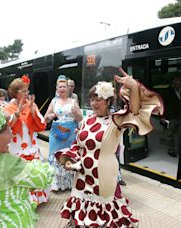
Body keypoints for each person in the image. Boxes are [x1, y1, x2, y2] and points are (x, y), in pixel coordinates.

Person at [55, 68, 163, 227]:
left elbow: (135, 112)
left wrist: (133, 87)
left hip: (104, 174)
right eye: (92, 99)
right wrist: (70, 160)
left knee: (104, 211)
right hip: (83, 174)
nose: (94, 103)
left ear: (108, 101)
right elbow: (77, 145)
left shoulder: (115, 121)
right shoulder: (87, 121)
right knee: (81, 211)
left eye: (98, 99)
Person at [3, 75, 48, 205]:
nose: (26, 93)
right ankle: (22, 200)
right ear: (15, 92)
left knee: (32, 171)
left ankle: (35, 200)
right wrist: (18, 111)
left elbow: (42, 124)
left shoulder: (31, 105)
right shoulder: (8, 107)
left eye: (27, 90)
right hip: (16, 147)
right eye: (23, 91)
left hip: (31, 145)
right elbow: (8, 125)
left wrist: (33, 108)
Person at [44, 75, 83, 192]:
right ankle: (55, 184)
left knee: (69, 156)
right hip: (56, 133)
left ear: (68, 89)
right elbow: (46, 118)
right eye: (60, 87)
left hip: (70, 132)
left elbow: (80, 118)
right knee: (55, 156)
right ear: (57, 89)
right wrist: (49, 117)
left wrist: (76, 113)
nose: (62, 88)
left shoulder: (73, 101)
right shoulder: (54, 101)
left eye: (64, 86)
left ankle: (69, 184)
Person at [160, 76, 181, 157]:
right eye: (176, 82)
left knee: (179, 135)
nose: (177, 84)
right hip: (171, 118)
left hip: (180, 117)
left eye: (179, 82)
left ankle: (179, 150)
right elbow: (163, 105)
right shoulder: (168, 92)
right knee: (170, 135)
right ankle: (171, 150)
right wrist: (163, 116)